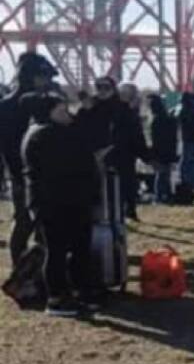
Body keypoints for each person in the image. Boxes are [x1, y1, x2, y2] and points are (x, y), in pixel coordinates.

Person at [22, 93, 100, 316]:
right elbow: (70, 162)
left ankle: (76, 292)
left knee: (76, 248)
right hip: (55, 202)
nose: (68, 115)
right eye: (61, 111)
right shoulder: (44, 135)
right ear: (48, 113)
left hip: (67, 199)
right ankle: (57, 298)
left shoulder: (45, 132)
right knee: (57, 251)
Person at [0, 53, 56, 267]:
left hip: (40, 174)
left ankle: (34, 271)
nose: (46, 82)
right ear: (31, 77)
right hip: (25, 174)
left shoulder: (11, 105)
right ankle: (23, 272)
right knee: (26, 223)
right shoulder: (11, 107)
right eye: (43, 77)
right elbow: (8, 145)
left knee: (38, 224)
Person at [76, 76, 148, 221]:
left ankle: (125, 214)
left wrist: (145, 154)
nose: (102, 91)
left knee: (122, 189)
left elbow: (134, 133)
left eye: (106, 87)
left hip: (121, 156)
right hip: (94, 156)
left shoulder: (122, 108)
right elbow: (78, 129)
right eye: (99, 87)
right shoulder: (89, 107)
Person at [147, 94, 179, 203]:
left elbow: (153, 137)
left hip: (158, 149)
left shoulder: (155, 120)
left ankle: (159, 196)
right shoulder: (168, 118)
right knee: (166, 174)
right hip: (169, 148)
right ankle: (166, 194)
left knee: (160, 174)